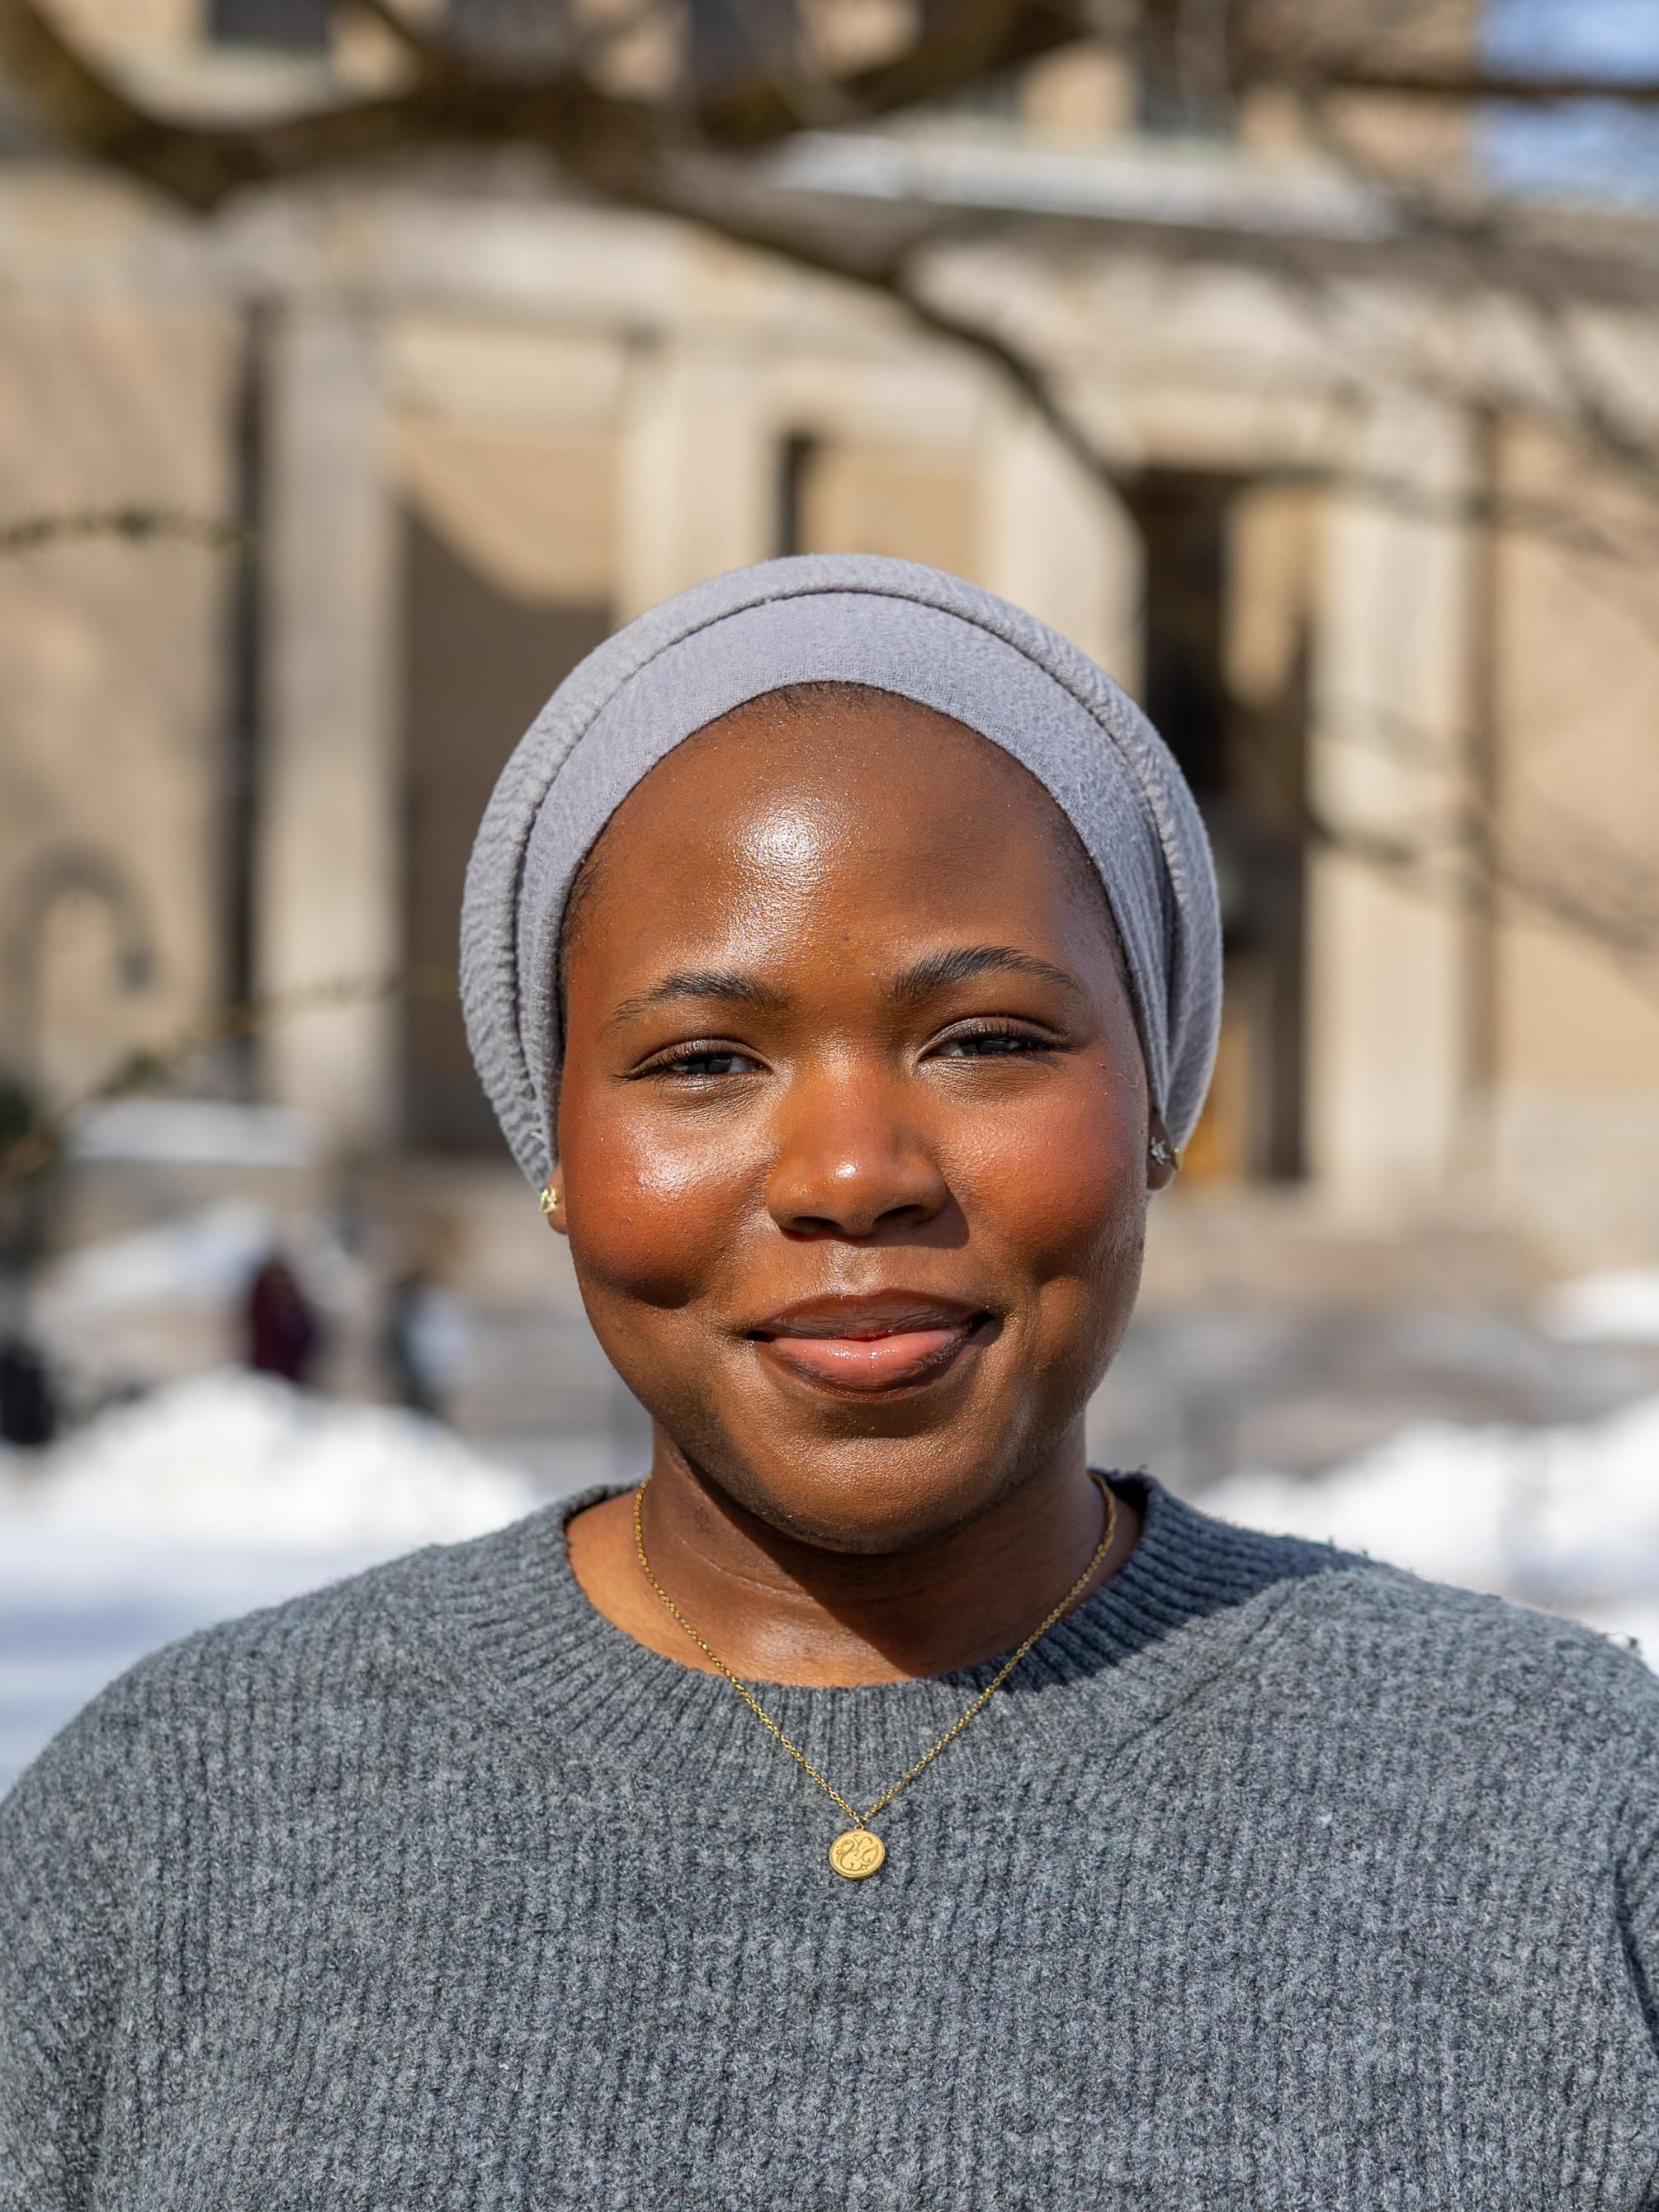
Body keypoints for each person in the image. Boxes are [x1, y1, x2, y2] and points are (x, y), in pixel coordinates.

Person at [3, 554, 1657, 2208]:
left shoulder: (1569, 1818)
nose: (855, 1172)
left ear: (1160, 1097)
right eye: (707, 1059)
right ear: (555, 1140)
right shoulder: (179, 1827)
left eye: (990, 1036)